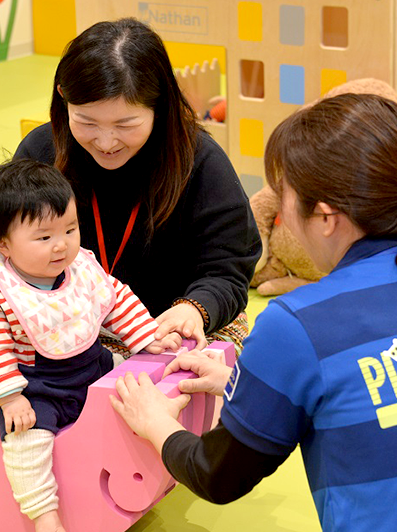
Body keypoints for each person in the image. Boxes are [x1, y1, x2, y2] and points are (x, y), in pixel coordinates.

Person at [111, 94, 397, 532]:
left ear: (326, 217)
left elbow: (217, 476)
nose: (282, 215)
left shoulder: (297, 324)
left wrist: (155, 421)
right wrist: (251, 386)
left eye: (284, 197)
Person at [14, 18, 259, 354]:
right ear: (63, 98)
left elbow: (228, 269)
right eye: (86, 122)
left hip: (175, 323)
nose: (105, 141)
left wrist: (194, 309)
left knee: (181, 385)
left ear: (158, 107)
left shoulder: (199, 161)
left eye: (125, 124)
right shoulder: (41, 153)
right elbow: (10, 252)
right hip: (68, 322)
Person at [0, 159, 178, 532]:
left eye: (69, 229)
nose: (62, 244)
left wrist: (147, 336)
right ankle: (41, 506)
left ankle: (158, 455)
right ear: (2, 244)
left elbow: (115, 301)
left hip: (93, 367)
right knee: (26, 441)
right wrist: (10, 398)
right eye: (44, 238)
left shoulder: (81, 268)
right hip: (38, 389)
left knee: (140, 385)